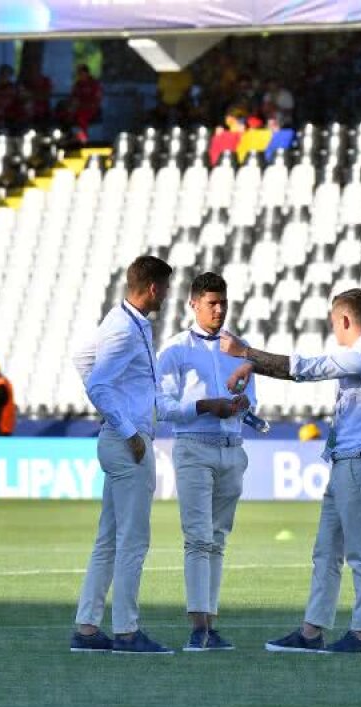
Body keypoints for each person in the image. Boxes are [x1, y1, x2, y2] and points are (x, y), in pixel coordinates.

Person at [220, 288, 361, 654]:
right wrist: (253, 364)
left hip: (360, 465)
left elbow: (307, 368)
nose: (334, 330)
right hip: (347, 463)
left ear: (345, 319)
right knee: (326, 552)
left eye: (334, 322)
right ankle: (311, 631)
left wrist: (248, 354)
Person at [70, 255, 177, 655]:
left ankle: (87, 627)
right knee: (133, 541)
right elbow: (98, 384)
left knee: (110, 539)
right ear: (152, 288)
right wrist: (128, 427)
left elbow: (82, 359)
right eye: (165, 287)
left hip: (116, 439)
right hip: (127, 443)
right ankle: (127, 632)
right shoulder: (125, 329)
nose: (166, 294)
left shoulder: (120, 321)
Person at [156, 272, 253, 652]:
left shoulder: (238, 347)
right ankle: (199, 627)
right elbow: (163, 408)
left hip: (232, 445)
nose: (219, 309)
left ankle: (209, 626)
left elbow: (252, 398)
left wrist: (243, 405)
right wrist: (205, 405)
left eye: (223, 303)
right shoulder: (175, 350)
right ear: (193, 304)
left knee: (218, 540)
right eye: (212, 303)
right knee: (198, 538)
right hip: (194, 446)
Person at [62, 63, 102, 143]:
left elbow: (97, 100)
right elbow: (73, 97)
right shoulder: (78, 84)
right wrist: (71, 105)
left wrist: (85, 105)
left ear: (86, 73)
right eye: (79, 74)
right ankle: (67, 136)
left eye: (82, 73)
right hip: (78, 108)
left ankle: (83, 138)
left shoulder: (94, 84)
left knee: (82, 117)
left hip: (90, 109)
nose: (80, 76)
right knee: (64, 114)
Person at [0, 64, 23, 128]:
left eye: (7, 75)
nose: (5, 77)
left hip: (11, 117)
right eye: (3, 74)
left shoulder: (14, 88)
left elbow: (19, 98)